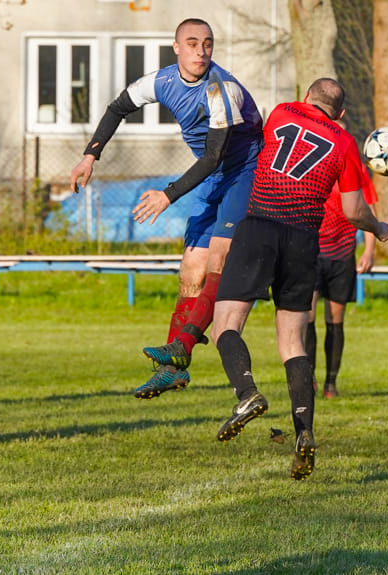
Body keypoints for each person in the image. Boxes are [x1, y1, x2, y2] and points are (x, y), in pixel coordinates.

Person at [202, 78, 388, 481]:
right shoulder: (344, 142)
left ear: (307, 97)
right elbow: (355, 210)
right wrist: (380, 227)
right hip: (305, 238)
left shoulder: (282, 111)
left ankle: (247, 394)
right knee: (292, 340)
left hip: (260, 227)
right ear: (340, 113)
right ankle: (304, 433)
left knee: (225, 325)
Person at [69, 18, 263, 399]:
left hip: (245, 171)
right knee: (191, 270)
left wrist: (167, 195)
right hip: (214, 175)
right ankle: (170, 371)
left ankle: (182, 349)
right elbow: (117, 108)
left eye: (207, 44)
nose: (201, 51)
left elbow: (213, 156)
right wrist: (90, 156)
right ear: (176, 47)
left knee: (218, 259)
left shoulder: (219, 90)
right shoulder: (160, 81)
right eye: (192, 43)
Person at [305, 135, 377, 399]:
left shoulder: (357, 174)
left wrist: (369, 251)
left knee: (335, 320)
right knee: (307, 318)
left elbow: (369, 213)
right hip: (311, 254)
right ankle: (308, 378)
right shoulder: (314, 168)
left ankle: (330, 383)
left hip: (342, 256)